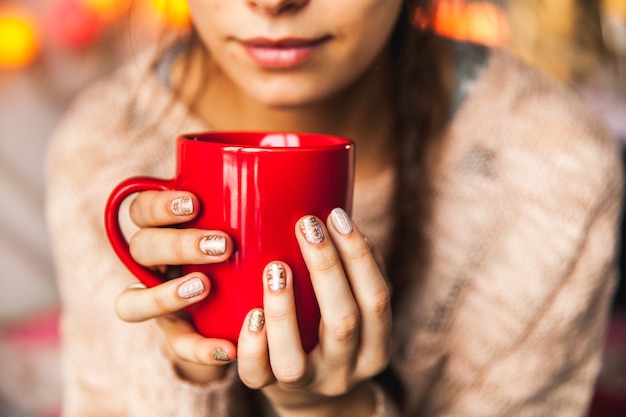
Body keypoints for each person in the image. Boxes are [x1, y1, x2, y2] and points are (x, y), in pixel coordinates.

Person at [45, 0, 623, 416]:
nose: (271, 5)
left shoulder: (550, 165)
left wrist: (334, 411)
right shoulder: (105, 144)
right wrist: (190, 370)